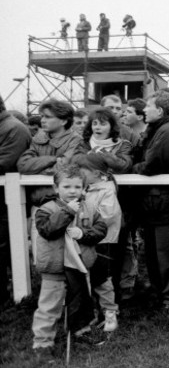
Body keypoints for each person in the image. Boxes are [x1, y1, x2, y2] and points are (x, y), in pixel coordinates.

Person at [32, 166, 108, 358]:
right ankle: (43, 343)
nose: (72, 191)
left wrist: (83, 233)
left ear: (83, 188)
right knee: (49, 306)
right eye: (67, 186)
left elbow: (101, 229)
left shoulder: (89, 207)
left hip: (80, 266)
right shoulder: (45, 209)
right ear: (56, 188)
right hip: (55, 268)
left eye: (77, 187)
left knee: (81, 301)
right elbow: (48, 230)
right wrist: (67, 212)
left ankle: (81, 331)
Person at [132, 90, 169, 310]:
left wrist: (133, 168)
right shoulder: (159, 129)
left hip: (165, 202)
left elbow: (152, 165)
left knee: (168, 255)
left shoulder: (168, 131)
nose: (144, 110)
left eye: (148, 106)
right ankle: (160, 295)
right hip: (155, 202)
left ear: (161, 110)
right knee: (155, 254)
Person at [74, 154, 122, 332]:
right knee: (89, 277)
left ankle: (110, 312)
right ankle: (96, 312)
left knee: (102, 279)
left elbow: (106, 216)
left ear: (95, 173)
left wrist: (82, 223)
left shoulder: (107, 190)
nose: (78, 173)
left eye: (82, 170)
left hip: (103, 241)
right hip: (86, 240)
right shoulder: (85, 188)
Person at [0, 95, 31, 306]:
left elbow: (6, 162)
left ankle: (10, 294)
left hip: (6, 200)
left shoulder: (14, 128)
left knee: (3, 246)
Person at [75, 108, 133, 174]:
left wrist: (101, 155)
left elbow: (124, 166)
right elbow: (78, 162)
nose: (97, 127)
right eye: (94, 124)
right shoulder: (84, 143)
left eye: (103, 124)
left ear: (112, 127)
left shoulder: (123, 144)